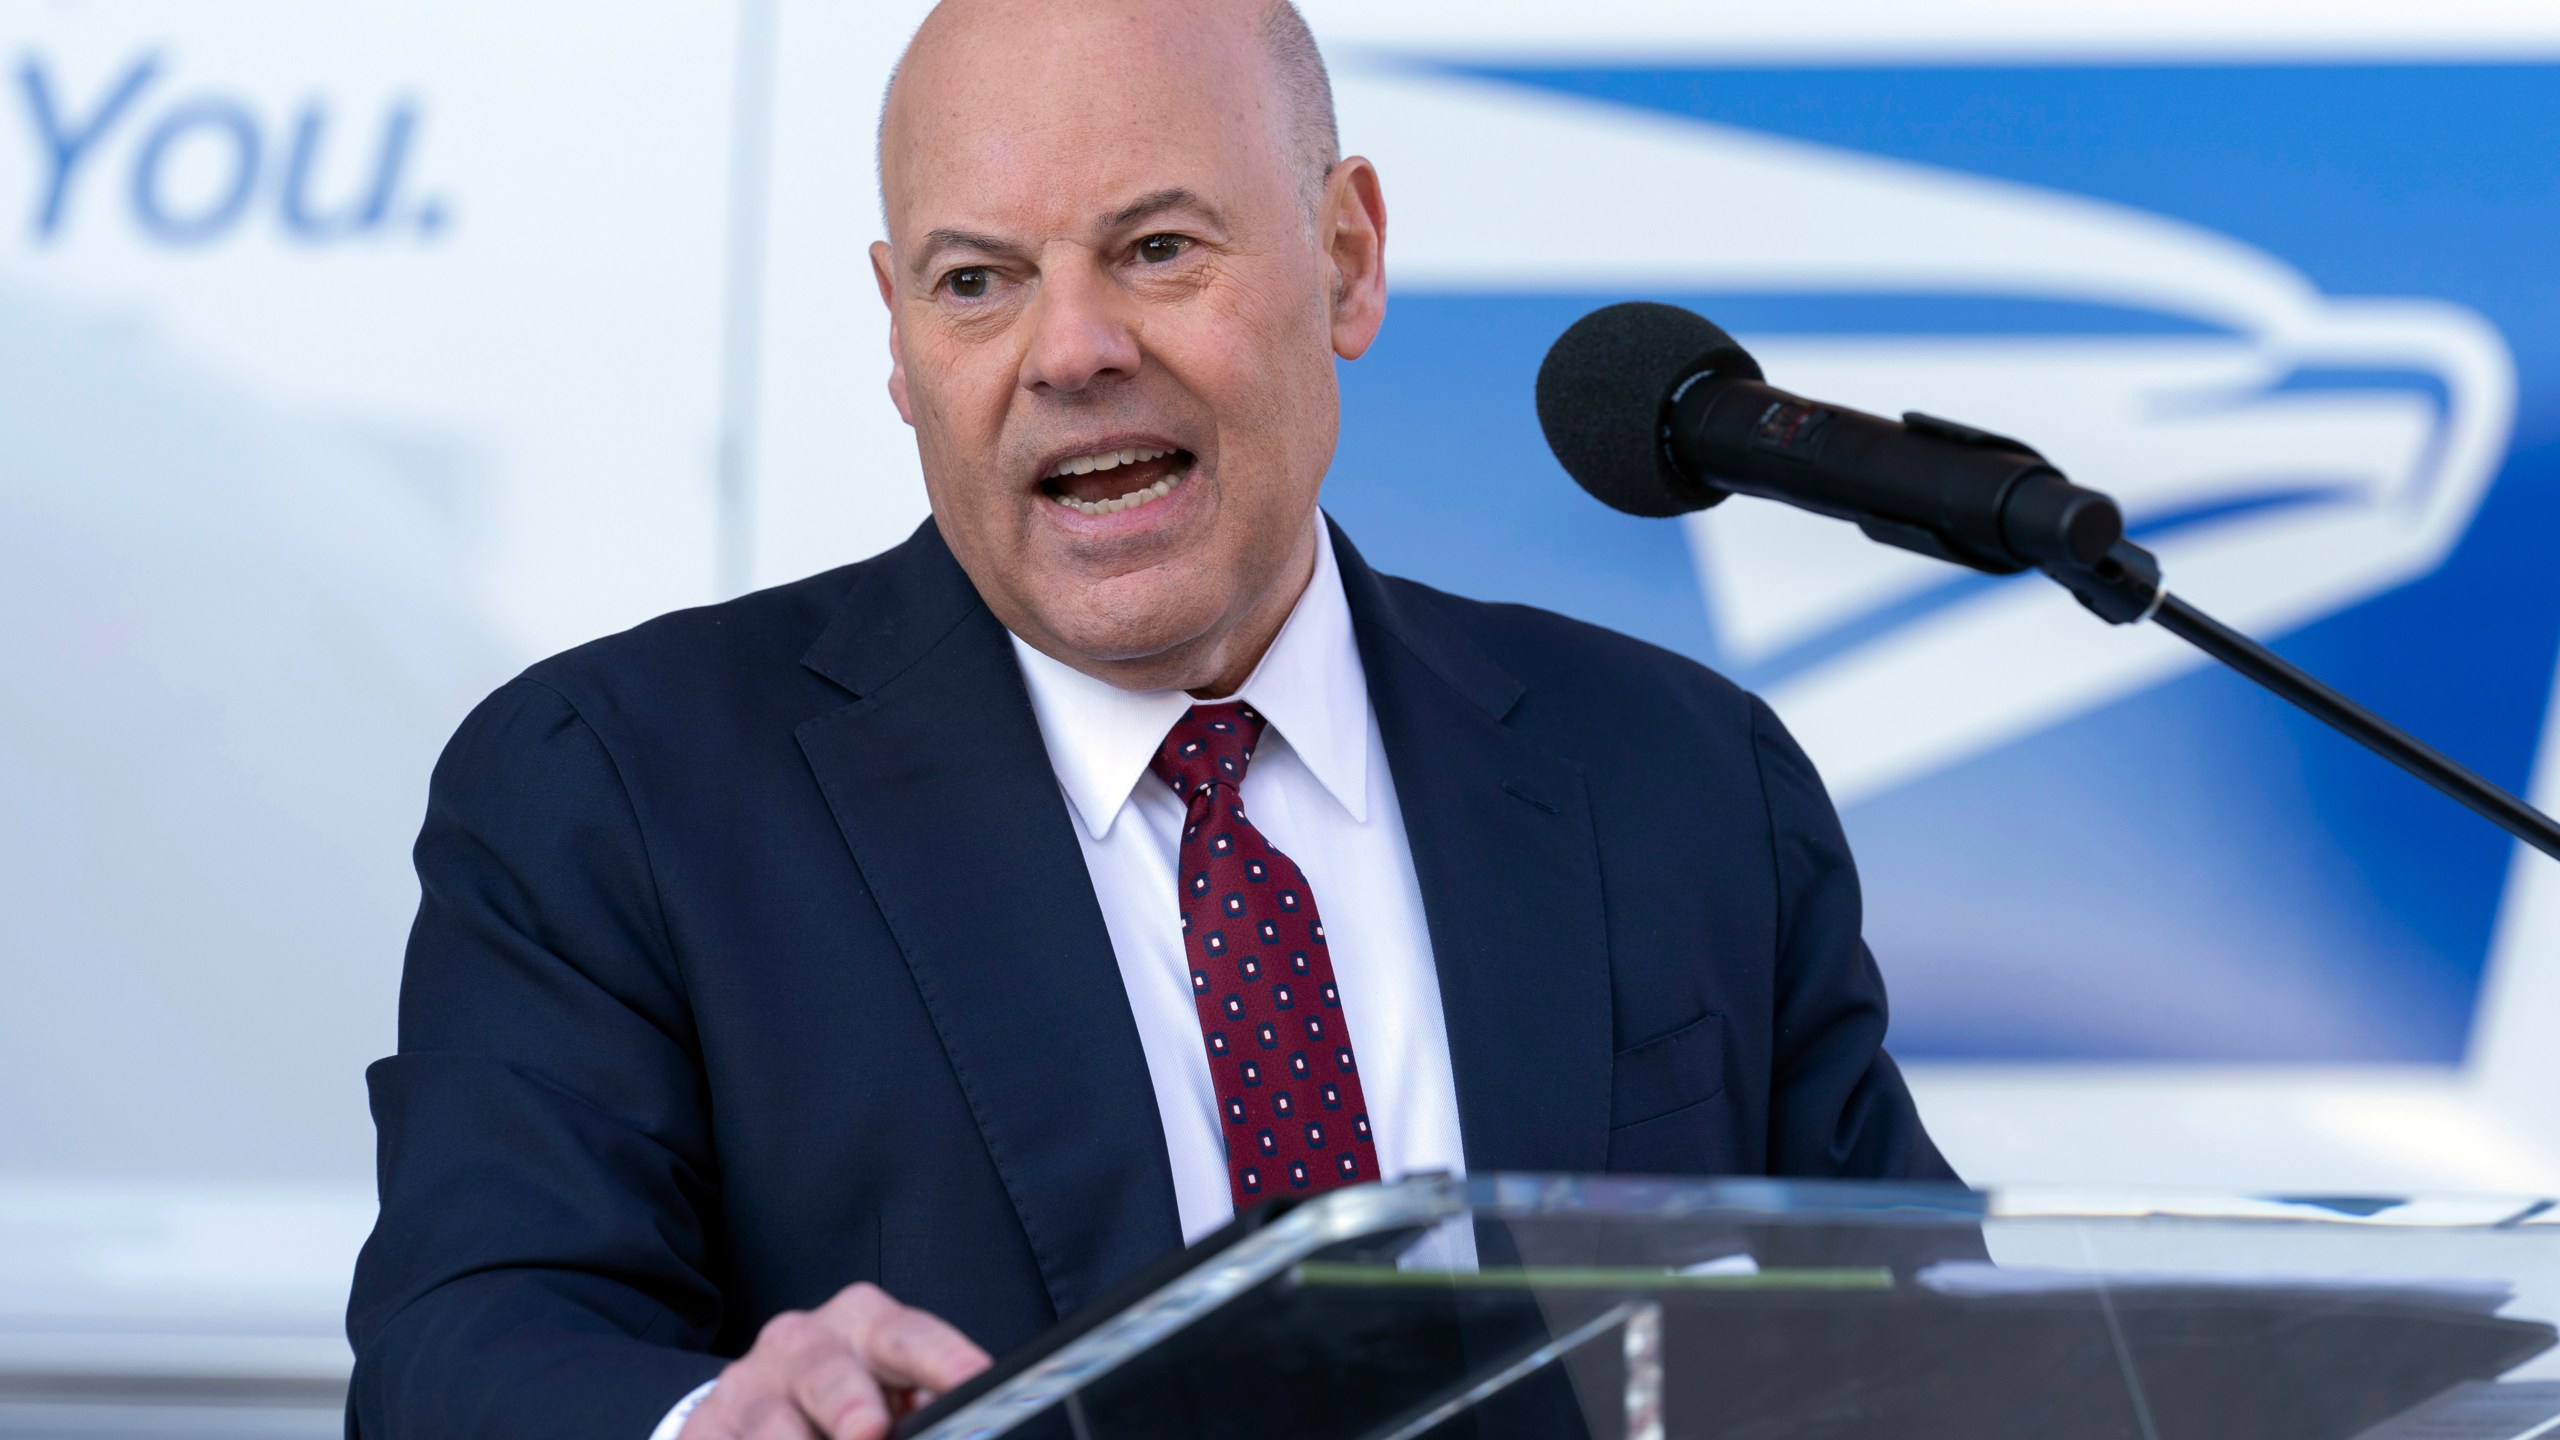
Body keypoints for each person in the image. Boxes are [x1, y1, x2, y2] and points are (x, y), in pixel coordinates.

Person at [344, 1, 1956, 1436]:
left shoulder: (1680, 778)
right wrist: (713, 1425)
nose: (1074, 350)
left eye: (1158, 249)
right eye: (979, 281)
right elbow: (464, 1350)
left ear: (1345, 257)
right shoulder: (616, 789)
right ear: (899, 336)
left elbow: (1950, 1347)